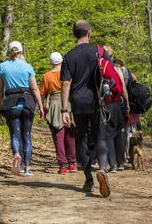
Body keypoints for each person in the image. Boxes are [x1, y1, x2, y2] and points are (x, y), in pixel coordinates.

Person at [61, 19, 111, 197]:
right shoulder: (100, 52)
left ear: (74, 34)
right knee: (100, 136)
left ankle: (89, 179)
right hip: (97, 101)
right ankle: (103, 169)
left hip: (78, 102)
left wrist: (64, 110)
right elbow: (109, 76)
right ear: (89, 32)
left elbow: (66, 83)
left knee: (82, 138)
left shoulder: (69, 56)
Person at [0, 41, 44, 176]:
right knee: (27, 135)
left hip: (11, 104)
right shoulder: (27, 66)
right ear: (21, 52)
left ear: (9, 51)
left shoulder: (1, 67)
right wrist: (40, 106)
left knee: (14, 134)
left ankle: (17, 154)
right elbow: (34, 88)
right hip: (28, 103)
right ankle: (27, 168)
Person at [41, 52, 77, 175]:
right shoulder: (69, 73)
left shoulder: (47, 76)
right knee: (70, 135)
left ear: (51, 62)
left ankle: (63, 165)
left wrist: (42, 108)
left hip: (55, 104)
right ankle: (72, 163)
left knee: (58, 136)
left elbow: (43, 93)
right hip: (68, 103)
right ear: (62, 61)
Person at [103, 50, 130, 172]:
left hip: (106, 104)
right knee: (118, 132)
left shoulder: (101, 68)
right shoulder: (117, 70)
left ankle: (112, 164)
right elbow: (123, 89)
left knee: (109, 133)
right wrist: (127, 104)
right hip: (118, 103)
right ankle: (120, 163)